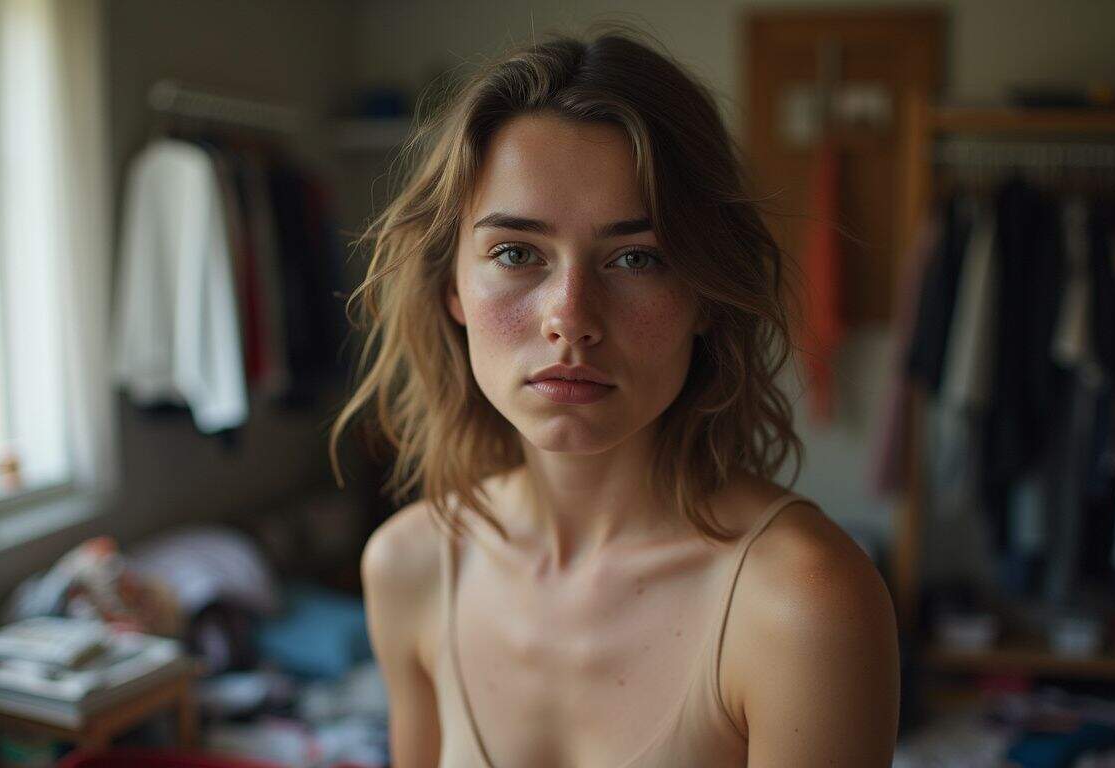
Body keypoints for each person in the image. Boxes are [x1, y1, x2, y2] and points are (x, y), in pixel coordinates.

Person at [329, 26, 900, 768]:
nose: (570, 316)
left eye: (638, 257)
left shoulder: (805, 602)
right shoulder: (408, 568)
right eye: (516, 253)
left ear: (706, 296)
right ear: (452, 287)